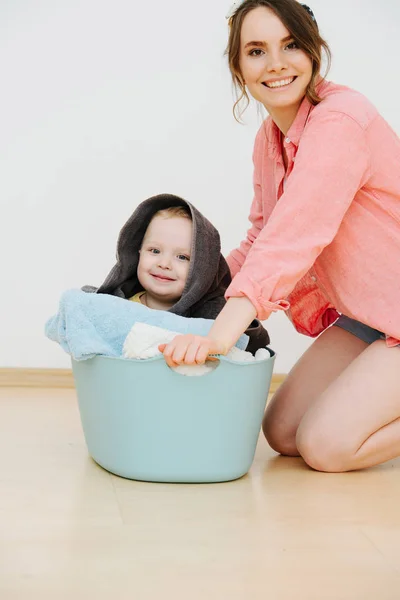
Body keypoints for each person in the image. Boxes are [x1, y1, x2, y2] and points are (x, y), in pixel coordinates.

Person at [160, 0, 400, 473]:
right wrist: (182, 290)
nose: (276, 63)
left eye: (290, 45)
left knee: (326, 447)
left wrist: (219, 337)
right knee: (283, 432)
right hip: (370, 313)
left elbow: (293, 238)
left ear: (313, 51)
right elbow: (262, 236)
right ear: (238, 66)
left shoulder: (340, 121)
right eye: (256, 51)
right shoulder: (269, 139)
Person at [84, 193, 270, 352]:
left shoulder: (210, 320)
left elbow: (248, 341)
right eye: (155, 251)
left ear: (202, 267)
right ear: (138, 251)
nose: (164, 264)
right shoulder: (118, 307)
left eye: (182, 257)